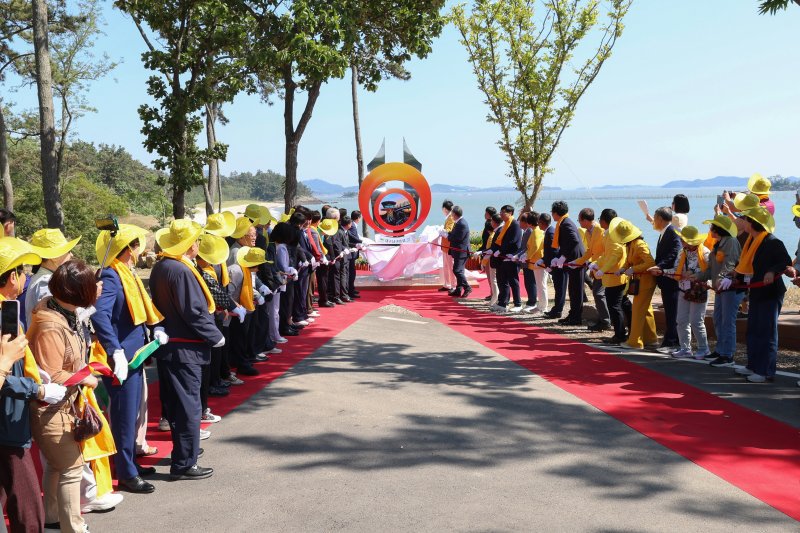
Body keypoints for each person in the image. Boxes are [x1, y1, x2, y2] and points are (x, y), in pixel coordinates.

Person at [0, 238, 66, 533]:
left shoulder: (6, 310)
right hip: (7, 423)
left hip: (11, 418)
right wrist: (38, 390)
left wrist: (34, 371)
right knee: (28, 508)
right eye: (22, 271)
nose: (25, 277)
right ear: (12, 277)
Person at [28, 260, 99, 533]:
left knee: (56, 467)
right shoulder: (50, 324)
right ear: (80, 292)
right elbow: (52, 373)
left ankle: (53, 518)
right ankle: (74, 527)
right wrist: (86, 377)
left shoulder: (60, 309)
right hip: (50, 408)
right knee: (70, 467)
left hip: (60, 405)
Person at [92, 225, 163, 495]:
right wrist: (114, 349)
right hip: (122, 355)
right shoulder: (111, 275)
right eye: (136, 246)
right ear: (128, 250)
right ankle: (126, 472)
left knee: (132, 411)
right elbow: (100, 315)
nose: (139, 251)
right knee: (123, 414)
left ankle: (129, 460)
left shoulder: (126, 272)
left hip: (134, 351)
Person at [150, 220, 222, 481]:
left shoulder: (164, 266)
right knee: (188, 406)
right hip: (186, 347)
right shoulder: (179, 270)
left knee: (180, 404)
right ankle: (184, 462)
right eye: (196, 240)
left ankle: (185, 451)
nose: (198, 244)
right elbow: (193, 311)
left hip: (174, 346)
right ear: (190, 245)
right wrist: (215, 336)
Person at [730, 207, 791, 382]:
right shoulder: (750, 240)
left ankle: (765, 371)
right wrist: (736, 275)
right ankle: (753, 365)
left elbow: (785, 262)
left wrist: (772, 271)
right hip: (755, 291)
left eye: (746, 219)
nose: (743, 221)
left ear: (753, 223)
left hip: (771, 293)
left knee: (767, 331)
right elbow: (746, 266)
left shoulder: (772, 241)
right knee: (754, 330)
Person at [698, 215, 744, 367]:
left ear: (718, 229)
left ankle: (728, 355)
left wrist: (720, 279)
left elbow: (730, 264)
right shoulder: (717, 244)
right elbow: (711, 268)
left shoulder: (730, 242)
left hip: (730, 288)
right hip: (720, 289)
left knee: (727, 321)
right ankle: (720, 350)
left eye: (711, 227)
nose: (710, 230)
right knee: (718, 318)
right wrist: (697, 276)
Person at [611, 220, 658, 351]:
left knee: (637, 311)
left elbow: (650, 262)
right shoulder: (631, 245)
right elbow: (628, 261)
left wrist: (634, 269)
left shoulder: (639, 244)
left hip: (646, 282)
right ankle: (651, 339)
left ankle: (635, 342)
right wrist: (623, 268)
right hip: (639, 281)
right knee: (646, 310)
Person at [667, 226, 711, 360]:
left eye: (683, 240)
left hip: (699, 290)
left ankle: (704, 349)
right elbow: (676, 270)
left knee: (696, 320)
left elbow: (709, 272)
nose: (681, 241)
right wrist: (666, 272)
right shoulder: (682, 252)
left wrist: (694, 274)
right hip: (683, 289)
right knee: (681, 320)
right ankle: (685, 348)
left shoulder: (705, 252)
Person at [24, 228, 81, 327]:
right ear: (54, 257)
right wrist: (91, 299)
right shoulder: (46, 282)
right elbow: (61, 316)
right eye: (68, 251)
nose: (71, 255)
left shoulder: (45, 278)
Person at [647, 207, 682, 353]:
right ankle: (670, 339)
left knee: (673, 311)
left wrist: (659, 266)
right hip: (664, 277)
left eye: (654, 218)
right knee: (669, 310)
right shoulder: (664, 232)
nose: (653, 220)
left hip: (671, 279)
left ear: (660, 219)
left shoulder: (673, 232)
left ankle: (673, 341)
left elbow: (674, 253)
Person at [592, 212, 629, 344]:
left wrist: (603, 269)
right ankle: (626, 332)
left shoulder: (613, 234)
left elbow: (615, 255)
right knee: (622, 304)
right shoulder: (609, 233)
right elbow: (607, 255)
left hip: (615, 277)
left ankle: (620, 334)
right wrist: (597, 263)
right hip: (613, 276)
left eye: (599, 220)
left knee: (614, 306)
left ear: (604, 221)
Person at [549, 201, 585, 325]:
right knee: (573, 289)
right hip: (572, 258)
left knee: (576, 289)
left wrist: (563, 256)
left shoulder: (566, 223)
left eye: (552, 213)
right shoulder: (563, 222)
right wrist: (559, 256)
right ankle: (573, 314)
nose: (552, 215)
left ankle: (576, 318)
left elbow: (574, 240)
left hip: (576, 259)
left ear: (555, 213)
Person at [573, 208, 609, 331]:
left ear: (586, 220)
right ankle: (605, 320)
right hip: (596, 267)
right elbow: (590, 251)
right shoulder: (588, 231)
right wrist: (578, 262)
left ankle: (606, 321)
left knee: (598, 293)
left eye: (579, 220)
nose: (578, 222)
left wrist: (595, 263)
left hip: (605, 267)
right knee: (599, 293)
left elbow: (606, 250)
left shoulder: (600, 230)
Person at [490, 205, 522, 312]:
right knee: (503, 280)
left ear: (511, 213)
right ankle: (502, 303)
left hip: (511, 256)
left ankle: (518, 304)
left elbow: (512, 241)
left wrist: (501, 251)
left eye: (504, 212)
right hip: (503, 257)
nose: (501, 214)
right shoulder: (505, 225)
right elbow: (501, 240)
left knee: (513, 281)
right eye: (501, 211)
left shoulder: (515, 224)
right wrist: (494, 250)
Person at [442, 205, 471, 298]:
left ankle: (467, 287)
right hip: (458, 251)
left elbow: (458, 238)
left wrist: (447, 236)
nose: (451, 215)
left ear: (454, 214)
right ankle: (458, 290)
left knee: (457, 270)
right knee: (459, 271)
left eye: (452, 214)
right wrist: (447, 233)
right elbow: (454, 234)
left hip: (461, 251)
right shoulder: (458, 222)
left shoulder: (462, 223)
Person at [538, 213, 559, 318]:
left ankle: (557, 310)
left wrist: (549, 263)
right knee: (557, 288)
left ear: (542, 223)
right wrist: (543, 260)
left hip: (554, 265)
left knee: (558, 288)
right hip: (550, 263)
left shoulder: (550, 232)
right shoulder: (549, 231)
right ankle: (556, 310)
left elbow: (553, 251)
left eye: (539, 222)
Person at [481, 214, 502, 307]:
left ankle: (495, 299)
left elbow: (489, 251)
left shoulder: (492, 235)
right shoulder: (493, 234)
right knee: (493, 281)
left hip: (492, 261)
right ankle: (494, 298)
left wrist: (483, 262)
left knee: (493, 280)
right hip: (491, 260)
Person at [439, 200, 456, 292]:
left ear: (445, 209)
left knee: (450, 266)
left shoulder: (450, 218)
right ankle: (447, 284)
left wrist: (440, 231)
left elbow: (448, 231)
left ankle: (453, 285)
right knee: (446, 266)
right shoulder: (448, 217)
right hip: (445, 246)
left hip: (449, 246)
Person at [347, 210, 363, 299]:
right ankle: (350, 291)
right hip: (352, 252)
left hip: (353, 251)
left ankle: (352, 289)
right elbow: (353, 239)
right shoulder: (352, 226)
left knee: (352, 272)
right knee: (351, 273)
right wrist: (362, 242)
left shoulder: (353, 225)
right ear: (358, 218)